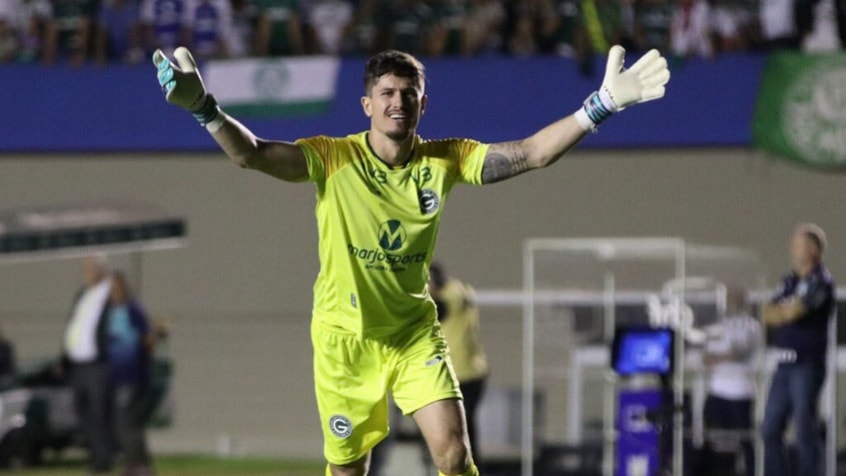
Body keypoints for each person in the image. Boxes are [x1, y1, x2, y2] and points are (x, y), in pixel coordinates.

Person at [152, 42, 669, 476]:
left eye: (407, 93)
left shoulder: (446, 158)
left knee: (452, 452)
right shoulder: (335, 158)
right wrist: (206, 109)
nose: (398, 102)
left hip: (411, 335)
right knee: (351, 468)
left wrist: (600, 104)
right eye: (386, 94)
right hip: (343, 342)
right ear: (367, 105)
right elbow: (254, 154)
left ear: (424, 102)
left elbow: (533, 152)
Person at [761, 223, 836, 476]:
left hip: (807, 365)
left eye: (798, 243)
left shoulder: (821, 281)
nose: (792, 248)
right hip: (783, 366)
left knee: (804, 426)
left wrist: (788, 311)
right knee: (769, 428)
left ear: (813, 249)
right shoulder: (789, 281)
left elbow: (797, 310)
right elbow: (768, 314)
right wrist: (786, 312)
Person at [428, 262, 488, 462]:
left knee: (458, 433)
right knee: (458, 431)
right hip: (465, 372)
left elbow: (439, 309)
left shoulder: (452, 294)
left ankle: (468, 468)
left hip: (463, 374)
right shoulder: (461, 290)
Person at [61, 255, 115, 474]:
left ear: (101, 270)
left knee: (100, 412)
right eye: (86, 268)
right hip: (79, 365)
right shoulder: (82, 295)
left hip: (98, 365)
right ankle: (96, 454)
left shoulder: (108, 294)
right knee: (82, 411)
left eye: (91, 268)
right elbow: (75, 326)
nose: (87, 272)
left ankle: (105, 459)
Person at [700, 286, 761, 476]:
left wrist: (721, 357)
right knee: (715, 441)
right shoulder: (717, 326)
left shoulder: (752, 326)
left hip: (740, 393)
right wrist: (722, 357)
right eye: (728, 299)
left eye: (735, 298)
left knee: (745, 440)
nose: (731, 303)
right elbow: (706, 357)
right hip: (717, 392)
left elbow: (740, 352)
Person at [107, 271, 155, 476]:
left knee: (128, 423)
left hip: (132, 378)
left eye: (117, 287)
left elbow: (148, 338)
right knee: (121, 425)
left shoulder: (133, 310)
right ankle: (138, 465)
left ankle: (138, 467)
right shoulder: (107, 314)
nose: (114, 292)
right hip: (115, 379)